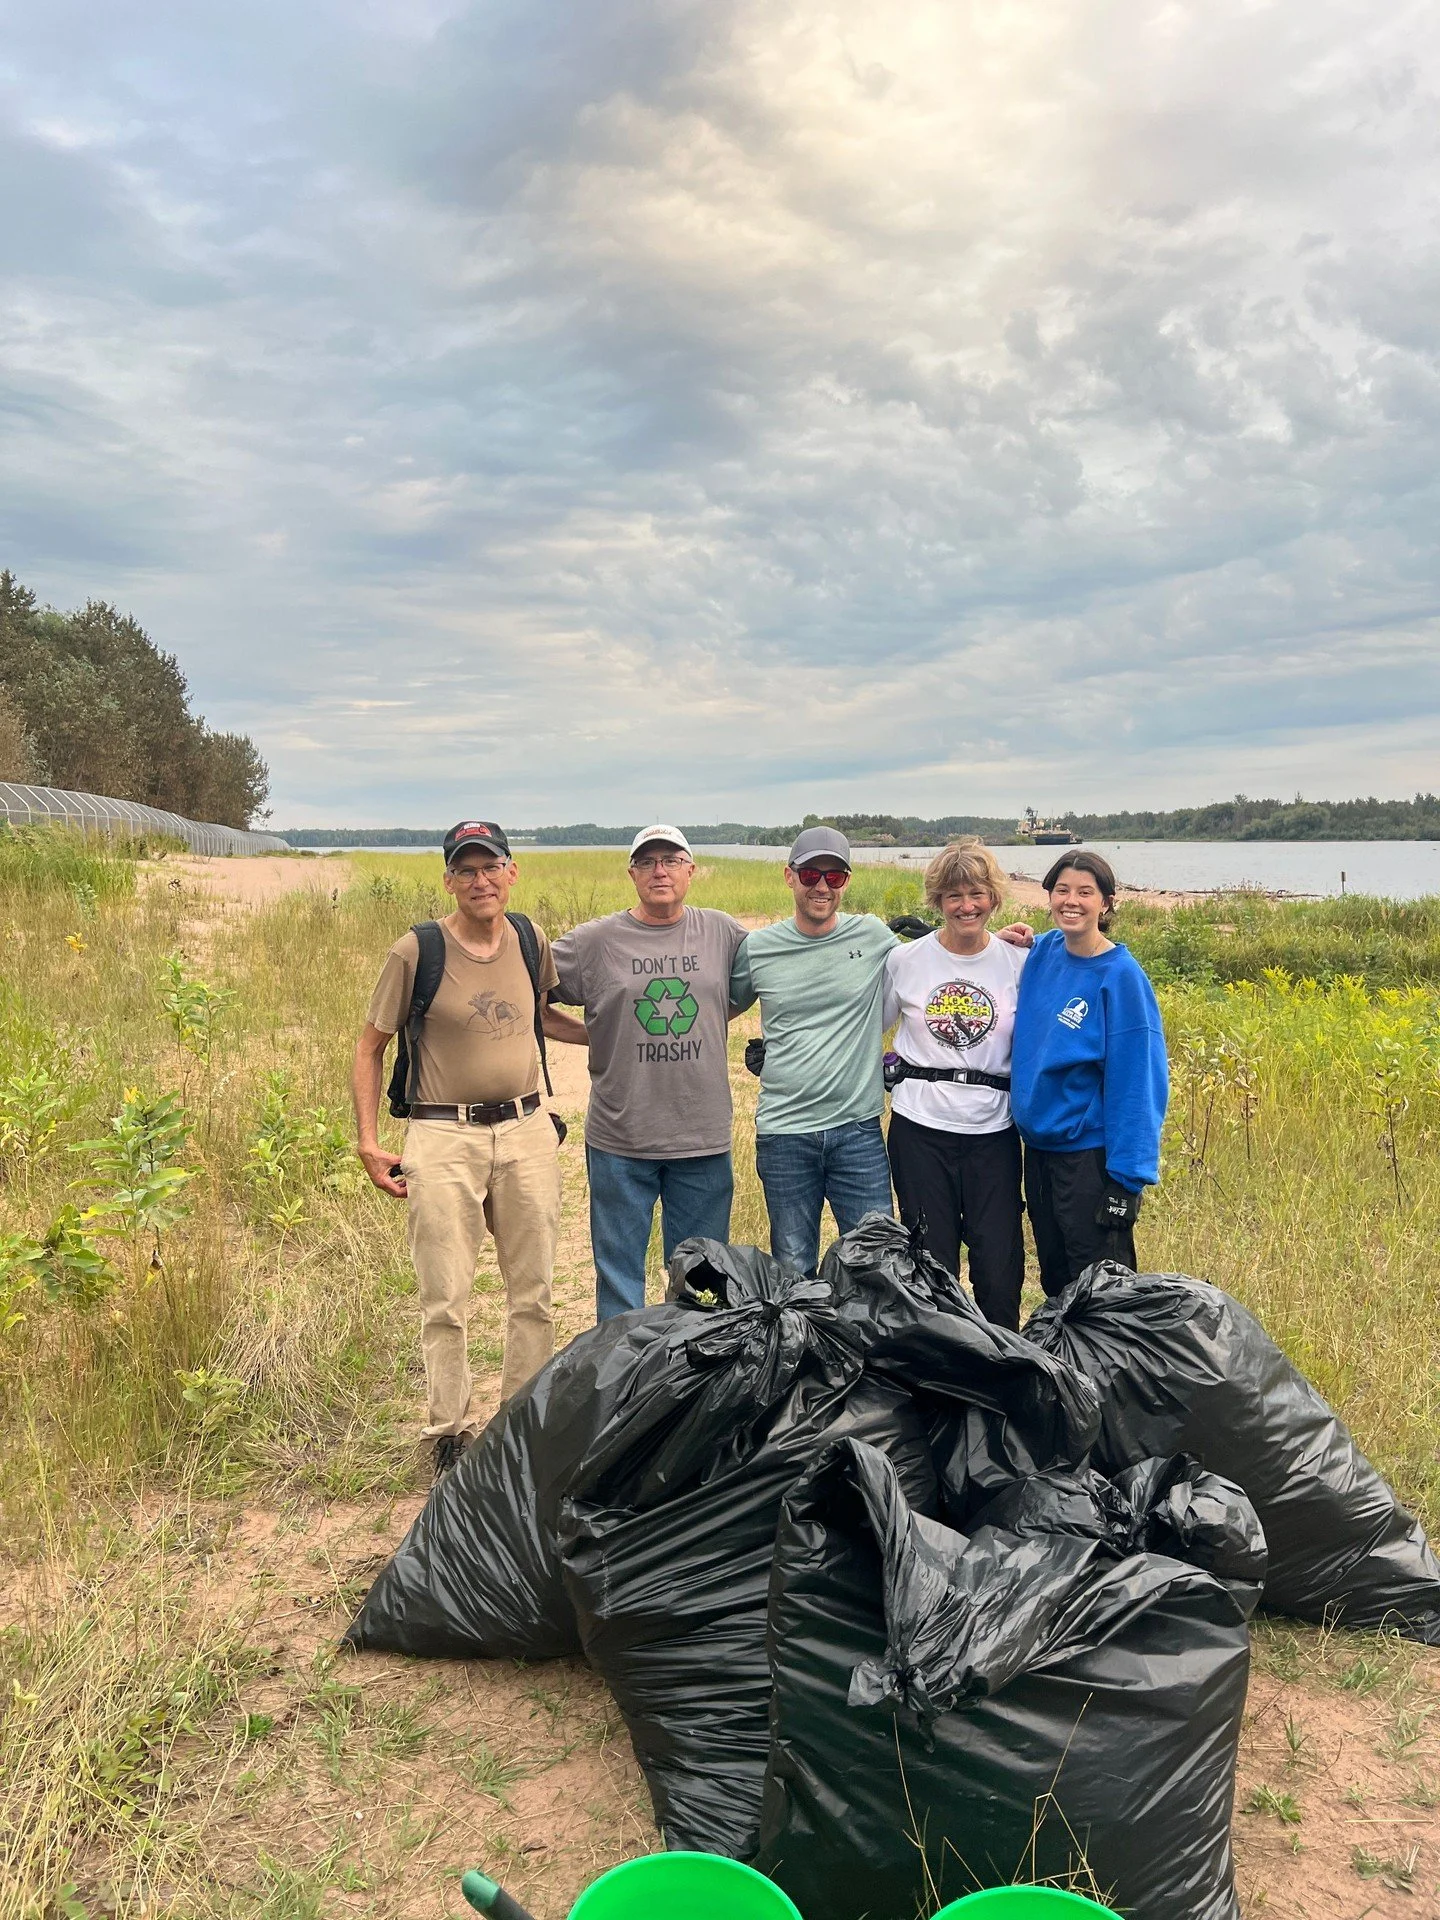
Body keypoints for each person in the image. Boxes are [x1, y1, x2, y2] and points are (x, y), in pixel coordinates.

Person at [351, 819, 588, 1476]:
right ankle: (447, 1434)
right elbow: (370, 1047)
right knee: (445, 1298)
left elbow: (541, 1014)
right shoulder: (416, 951)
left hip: (526, 1128)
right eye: (466, 870)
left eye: (491, 867)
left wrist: (606, 1035)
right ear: (448, 880)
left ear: (512, 872)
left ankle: (520, 1428)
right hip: (441, 1133)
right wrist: (369, 1142)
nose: (480, 881)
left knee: (534, 1292)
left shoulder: (529, 939)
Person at [551, 825, 747, 1319]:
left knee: (702, 1282)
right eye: (647, 862)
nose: (660, 871)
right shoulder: (594, 941)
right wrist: (594, 1033)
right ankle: (622, 1364)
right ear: (632, 873)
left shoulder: (722, 932)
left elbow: (753, 984)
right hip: (621, 1138)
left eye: (672, 860)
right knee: (619, 1277)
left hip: (701, 1136)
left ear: (691, 870)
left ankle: (691, 1363)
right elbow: (524, 988)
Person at [728, 826, 898, 1276]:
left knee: (877, 1266)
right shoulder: (758, 948)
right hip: (784, 1134)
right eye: (810, 875)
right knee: (793, 1268)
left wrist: (1006, 942)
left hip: (857, 1130)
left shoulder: (873, 935)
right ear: (789, 876)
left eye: (834, 876)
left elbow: (936, 963)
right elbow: (716, 1007)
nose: (822, 886)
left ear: (846, 882)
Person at [882, 838, 1029, 1329]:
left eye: (977, 894)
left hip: (993, 1132)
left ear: (994, 898)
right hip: (920, 1129)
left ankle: (1002, 1360)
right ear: (938, 901)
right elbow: (868, 1027)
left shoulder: (1019, 963)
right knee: (931, 1265)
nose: (967, 906)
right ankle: (938, 1363)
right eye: (954, 896)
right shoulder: (905, 961)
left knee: (999, 1269)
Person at [1010, 849, 1169, 1293]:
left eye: (1085, 892)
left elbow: (1139, 1082)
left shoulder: (1120, 976)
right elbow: (998, 951)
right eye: (1062, 890)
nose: (1071, 901)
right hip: (1039, 1152)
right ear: (1048, 896)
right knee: (1056, 1282)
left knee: (1100, 1291)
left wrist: (1127, 1181)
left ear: (1107, 903)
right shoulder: (1044, 953)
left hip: (1089, 1159)